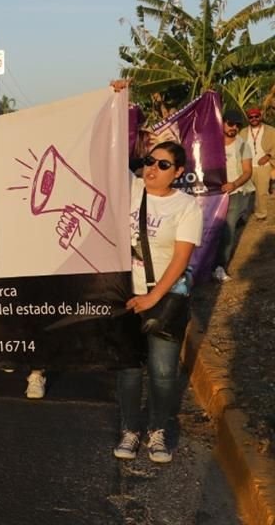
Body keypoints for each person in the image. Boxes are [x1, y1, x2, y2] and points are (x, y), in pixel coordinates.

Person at [114, 141, 202, 464]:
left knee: (163, 371)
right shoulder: (132, 188)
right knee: (129, 369)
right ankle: (130, 429)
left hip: (166, 297)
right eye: (150, 161)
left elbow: (181, 258)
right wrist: (117, 96)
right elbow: (108, 150)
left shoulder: (186, 207)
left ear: (179, 172)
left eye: (164, 165)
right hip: (126, 294)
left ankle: (157, 430)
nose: (152, 169)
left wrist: (152, 296)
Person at [213, 110, 254, 282]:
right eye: (231, 124)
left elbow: (247, 171)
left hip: (234, 194)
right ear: (222, 122)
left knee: (228, 231)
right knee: (209, 230)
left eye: (238, 125)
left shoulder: (243, 144)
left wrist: (234, 185)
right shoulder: (210, 142)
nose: (234, 128)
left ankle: (220, 266)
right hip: (212, 195)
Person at [240, 107, 274, 220]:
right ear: (248, 119)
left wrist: (269, 156)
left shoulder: (271, 130)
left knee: (261, 192)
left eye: (256, 116)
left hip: (263, 167)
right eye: (251, 117)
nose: (254, 119)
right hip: (246, 166)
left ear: (260, 116)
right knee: (245, 193)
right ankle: (244, 216)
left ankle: (261, 213)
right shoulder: (243, 132)